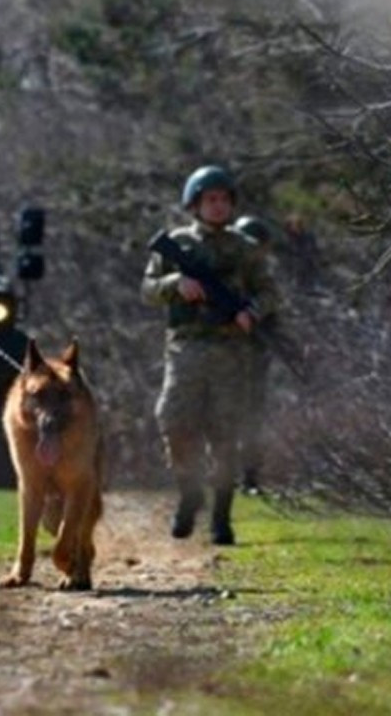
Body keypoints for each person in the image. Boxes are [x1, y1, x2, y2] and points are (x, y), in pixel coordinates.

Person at [141, 166, 279, 546]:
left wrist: (252, 311)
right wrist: (175, 284)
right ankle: (189, 491)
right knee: (173, 420)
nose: (217, 207)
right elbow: (148, 289)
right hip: (185, 347)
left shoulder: (245, 249)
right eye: (209, 200)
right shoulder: (176, 243)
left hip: (231, 351)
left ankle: (221, 515)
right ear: (195, 204)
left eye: (223, 199)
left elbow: (270, 292)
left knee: (225, 434)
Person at [231, 215, 278, 495]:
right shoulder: (227, 276)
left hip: (254, 357)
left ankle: (250, 477)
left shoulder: (263, 282)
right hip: (223, 355)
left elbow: (272, 311)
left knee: (252, 418)